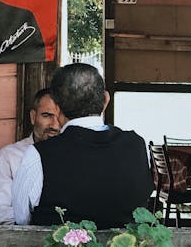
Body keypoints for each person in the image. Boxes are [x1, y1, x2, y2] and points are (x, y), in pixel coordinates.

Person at [11, 63, 152, 228]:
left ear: (56, 106)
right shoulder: (137, 146)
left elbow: (22, 219)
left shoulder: (38, 155)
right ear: (105, 100)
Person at [0, 88, 60, 224]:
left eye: (60, 117)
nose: (55, 125)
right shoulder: (9, 156)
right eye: (47, 115)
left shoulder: (75, 156)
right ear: (33, 117)